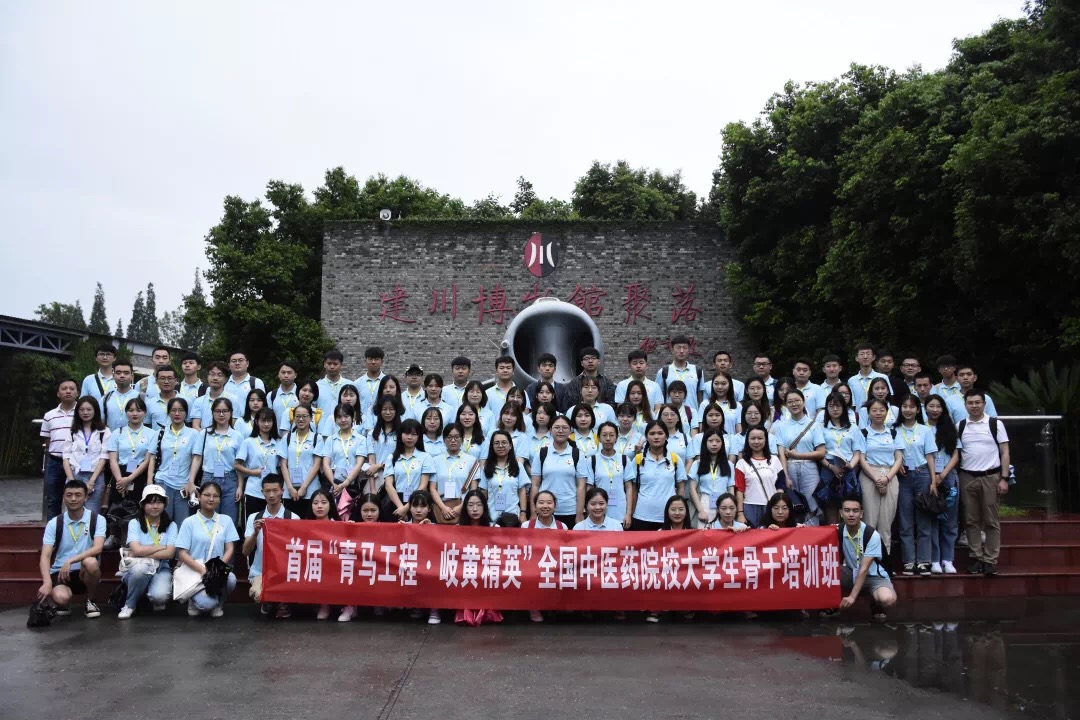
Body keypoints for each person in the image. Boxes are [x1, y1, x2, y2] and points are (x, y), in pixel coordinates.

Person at [956, 390, 1010, 576]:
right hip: (967, 477)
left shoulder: (995, 424)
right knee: (971, 520)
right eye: (970, 403)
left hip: (991, 477)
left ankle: (990, 560)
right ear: (965, 405)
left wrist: (1004, 478)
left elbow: (1005, 452)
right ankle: (976, 557)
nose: (974, 406)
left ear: (984, 404)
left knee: (991, 521)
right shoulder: (960, 426)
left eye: (977, 402)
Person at [37, 479, 106, 619]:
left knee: (91, 562)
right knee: (61, 598)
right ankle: (65, 602)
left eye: (78, 495)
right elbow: (45, 555)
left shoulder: (97, 519)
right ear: (63, 497)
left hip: (83, 571)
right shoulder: (54, 523)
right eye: (69, 495)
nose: (73, 499)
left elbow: (98, 548)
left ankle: (90, 601)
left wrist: (70, 561)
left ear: (86, 497)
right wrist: (47, 582)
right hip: (60, 572)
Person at [176, 481, 239, 617]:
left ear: (220, 499)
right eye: (207, 495)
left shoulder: (226, 520)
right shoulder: (189, 522)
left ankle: (219, 602)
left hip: (217, 568)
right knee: (205, 605)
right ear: (199, 496)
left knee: (231, 579)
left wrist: (219, 567)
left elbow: (230, 548)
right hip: (195, 569)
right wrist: (202, 570)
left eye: (215, 496)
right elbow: (182, 552)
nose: (211, 499)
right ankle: (194, 599)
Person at [894, 395, 937, 576]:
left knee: (923, 520)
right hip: (903, 477)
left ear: (918, 410)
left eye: (912, 407)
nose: (908, 410)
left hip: (922, 474)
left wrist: (933, 481)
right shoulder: (894, 430)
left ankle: (924, 561)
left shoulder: (925, 430)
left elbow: (930, 456)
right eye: (904, 406)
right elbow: (892, 453)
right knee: (905, 521)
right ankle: (909, 561)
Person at [119, 484, 177, 619]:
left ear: (164, 504)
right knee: (140, 569)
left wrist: (140, 551)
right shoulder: (135, 523)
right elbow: (136, 549)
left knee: (160, 597)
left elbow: (170, 554)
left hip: (161, 567)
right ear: (143, 504)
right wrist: (161, 547)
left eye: (159, 502)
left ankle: (152, 596)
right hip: (138, 566)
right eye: (150, 502)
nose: (155, 506)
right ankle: (129, 605)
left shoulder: (171, 525)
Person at [836, 496, 897, 621]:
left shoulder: (871, 535)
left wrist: (852, 597)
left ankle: (876, 603)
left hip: (873, 577)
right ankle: (830, 605)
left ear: (861, 514)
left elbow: (864, 568)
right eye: (847, 510)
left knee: (888, 599)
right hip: (851, 573)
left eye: (855, 510)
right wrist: (801, 528)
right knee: (826, 571)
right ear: (841, 513)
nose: (851, 514)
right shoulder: (839, 529)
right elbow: (819, 533)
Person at [774, 389, 827, 525]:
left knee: (812, 505)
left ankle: (812, 534)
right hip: (790, 467)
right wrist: (785, 476)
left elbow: (821, 452)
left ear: (804, 402)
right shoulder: (781, 427)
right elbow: (781, 454)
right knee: (794, 505)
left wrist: (798, 455)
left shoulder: (814, 425)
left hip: (809, 468)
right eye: (790, 402)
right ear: (785, 405)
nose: (794, 404)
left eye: (797, 400)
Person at [858, 398, 903, 555]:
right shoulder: (863, 433)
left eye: (881, 410)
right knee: (869, 520)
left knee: (886, 522)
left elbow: (899, 458)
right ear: (868, 413)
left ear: (887, 412)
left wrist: (887, 478)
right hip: (869, 475)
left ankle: (885, 560)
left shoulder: (893, 433)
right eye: (874, 410)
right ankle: (867, 560)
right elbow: (861, 459)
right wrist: (876, 478)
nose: (878, 413)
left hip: (890, 475)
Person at [147, 397, 202, 523]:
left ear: (186, 413)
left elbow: (196, 458)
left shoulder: (193, 434)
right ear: (168, 413)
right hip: (162, 482)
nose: (177, 414)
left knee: (182, 523)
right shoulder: (160, 433)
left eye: (181, 410)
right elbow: (152, 458)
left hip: (183, 485)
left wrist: (191, 481)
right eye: (173, 410)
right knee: (162, 522)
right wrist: (150, 482)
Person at [452, 489, 501, 627]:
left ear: (485, 507)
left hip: (487, 568)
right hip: (465, 568)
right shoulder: (457, 529)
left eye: (479, 505)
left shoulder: (494, 527)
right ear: (465, 507)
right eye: (470, 505)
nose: (475, 509)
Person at [194, 397, 245, 525]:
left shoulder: (237, 436)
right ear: (212, 413)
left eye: (225, 411)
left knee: (229, 520)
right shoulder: (204, 433)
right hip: (209, 478)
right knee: (208, 517)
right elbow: (197, 458)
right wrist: (191, 481)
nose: (221, 414)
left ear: (231, 413)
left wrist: (240, 486)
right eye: (217, 411)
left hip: (230, 479)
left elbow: (239, 464)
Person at [530, 415, 587, 528]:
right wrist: (533, 512)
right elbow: (535, 485)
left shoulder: (577, 454)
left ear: (570, 430)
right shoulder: (542, 453)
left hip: (570, 510)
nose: (560, 431)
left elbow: (581, 486)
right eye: (556, 427)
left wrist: (580, 513)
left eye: (564, 428)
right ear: (550, 430)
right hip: (545, 510)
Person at [926, 394, 961, 574]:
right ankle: (934, 560)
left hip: (948, 476)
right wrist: (934, 477)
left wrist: (943, 473)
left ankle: (948, 559)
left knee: (950, 520)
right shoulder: (921, 428)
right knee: (931, 519)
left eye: (938, 406)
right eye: (931, 406)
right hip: (928, 476)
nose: (935, 410)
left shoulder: (949, 427)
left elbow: (956, 454)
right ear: (925, 408)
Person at [629, 421, 686, 531]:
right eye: (652, 433)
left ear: (666, 436)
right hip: (642, 515)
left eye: (660, 433)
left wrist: (679, 510)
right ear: (646, 437)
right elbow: (633, 489)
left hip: (669, 517)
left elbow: (681, 487)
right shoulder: (638, 460)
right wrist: (631, 512)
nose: (656, 437)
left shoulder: (675, 459)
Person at [818, 391, 864, 525]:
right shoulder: (821, 428)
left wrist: (851, 465)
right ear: (826, 408)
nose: (835, 409)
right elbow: (819, 453)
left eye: (838, 405)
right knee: (830, 508)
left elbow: (857, 452)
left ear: (844, 407)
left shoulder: (853, 428)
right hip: (828, 468)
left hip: (848, 468)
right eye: (831, 406)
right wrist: (831, 467)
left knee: (850, 508)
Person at [646, 495, 693, 622]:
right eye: (673, 509)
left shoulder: (694, 533)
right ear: (667, 512)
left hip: (686, 570)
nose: (677, 513)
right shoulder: (660, 533)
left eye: (681, 509)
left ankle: (686, 607)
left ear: (686, 512)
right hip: (665, 570)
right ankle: (656, 609)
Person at [522, 489, 566, 623]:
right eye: (541, 503)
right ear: (535, 506)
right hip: (533, 566)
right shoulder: (526, 526)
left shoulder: (562, 527)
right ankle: (534, 607)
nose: (545, 506)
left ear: (555, 506)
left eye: (549, 503)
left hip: (555, 566)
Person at [106, 398, 153, 519]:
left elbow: (147, 460)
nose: (135, 414)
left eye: (139, 410)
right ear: (126, 412)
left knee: (138, 513)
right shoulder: (117, 433)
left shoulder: (152, 434)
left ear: (145, 413)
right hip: (119, 475)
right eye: (131, 410)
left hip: (140, 475)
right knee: (116, 513)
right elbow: (113, 460)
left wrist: (129, 479)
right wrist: (120, 481)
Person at [317, 402, 367, 518]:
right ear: (335, 420)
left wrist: (345, 483)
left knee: (351, 516)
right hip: (333, 484)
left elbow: (359, 464)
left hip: (353, 483)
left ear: (352, 418)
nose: (343, 420)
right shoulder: (330, 440)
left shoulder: (360, 439)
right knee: (334, 516)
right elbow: (326, 464)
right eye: (339, 417)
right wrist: (334, 484)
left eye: (346, 416)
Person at [62, 396, 111, 513]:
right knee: (71, 511)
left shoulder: (104, 431)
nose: (85, 413)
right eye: (82, 410)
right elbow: (66, 456)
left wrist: (92, 481)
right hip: (75, 474)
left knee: (91, 512)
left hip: (95, 476)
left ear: (95, 411)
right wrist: (71, 481)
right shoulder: (72, 431)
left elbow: (104, 457)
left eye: (89, 409)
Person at [338, 492, 382, 621]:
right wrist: (348, 530)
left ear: (379, 510)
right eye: (365, 510)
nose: (369, 514)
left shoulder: (389, 527)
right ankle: (350, 606)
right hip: (358, 566)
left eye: (373, 510)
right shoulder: (353, 525)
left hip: (379, 566)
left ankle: (380, 603)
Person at [383, 419, 436, 521]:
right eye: (406, 433)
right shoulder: (391, 457)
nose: (409, 437)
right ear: (400, 435)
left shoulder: (425, 457)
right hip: (396, 501)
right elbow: (388, 485)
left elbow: (423, 486)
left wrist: (407, 507)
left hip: (418, 503)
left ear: (419, 436)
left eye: (414, 434)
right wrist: (400, 508)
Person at [40, 377, 78, 516]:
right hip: (55, 462)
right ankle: (53, 528)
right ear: (58, 393)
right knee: (53, 499)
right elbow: (48, 440)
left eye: (72, 389)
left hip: (76, 462)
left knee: (77, 499)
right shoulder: (49, 415)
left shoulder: (82, 413)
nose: (68, 391)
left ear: (77, 393)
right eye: (64, 389)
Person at [235, 406, 281, 519]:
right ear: (256, 422)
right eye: (263, 421)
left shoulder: (279, 442)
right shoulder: (249, 442)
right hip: (254, 489)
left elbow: (282, 466)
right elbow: (237, 465)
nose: (266, 424)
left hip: (273, 491)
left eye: (269, 421)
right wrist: (252, 472)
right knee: (252, 522)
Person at [733, 427, 784, 528]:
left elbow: (781, 484)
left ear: (766, 440)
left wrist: (778, 505)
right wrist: (740, 513)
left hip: (771, 506)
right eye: (753, 438)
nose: (756, 441)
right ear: (747, 440)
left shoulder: (774, 460)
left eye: (760, 438)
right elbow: (739, 490)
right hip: (749, 506)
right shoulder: (741, 463)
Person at [585, 422, 633, 528]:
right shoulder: (592, 460)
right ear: (599, 438)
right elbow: (589, 488)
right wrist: (589, 512)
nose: (608, 438)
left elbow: (629, 488)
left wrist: (628, 514)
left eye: (611, 435)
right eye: (604, 435)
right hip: (598, 511)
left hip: (620, 513)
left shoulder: (624, 459)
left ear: (616, 438)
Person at [279, 404, 323, 514]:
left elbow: (316, 465)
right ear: (294, 418)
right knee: (290, 521)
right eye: (298, 416)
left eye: (304, 416)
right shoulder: (287, 438)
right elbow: (283, 465)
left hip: (310, 489)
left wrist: (304, 487)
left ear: (311, 418)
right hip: (289, 491)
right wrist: (290, 488)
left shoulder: (317, 438)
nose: (301, 419)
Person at [475, 430, 529, 522]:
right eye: (496, 443)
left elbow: (522, 491)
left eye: (504, 442)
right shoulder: (486, 467)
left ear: (510, 445)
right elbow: (484, 493)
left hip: (513, 517)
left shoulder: (518, 466)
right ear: (492, 446)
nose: (500, 446)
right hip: (492, 517)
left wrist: (523, 513)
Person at [430, 423, 477, 524]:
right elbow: (432, 488)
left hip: (464, 508)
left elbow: (473, 490)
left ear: (462, 439)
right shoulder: (435, 461)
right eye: (449, 437)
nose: (453, 440)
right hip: (440, 508)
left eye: (456, 437)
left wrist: (461, 507)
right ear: (444, 440)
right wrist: (443, 508)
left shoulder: (472, 461)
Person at [307, 489, 341, 620]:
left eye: (324, 502)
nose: (319, 506)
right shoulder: (304, 526)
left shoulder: (339, 525)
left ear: (330, 505)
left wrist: (351, 528)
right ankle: (322, 604)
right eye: (315, 503)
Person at [688, 429, 732, 527]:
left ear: (722, 443)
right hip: (704, 502)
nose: (714, 444)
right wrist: (700, 510)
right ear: (705, 443)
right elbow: (692, 489)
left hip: (724, 503)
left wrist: (730, 508)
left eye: (718, 441)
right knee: (704, 533)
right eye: (711, 441)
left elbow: (731, 489)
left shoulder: (729, 465)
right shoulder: (697, 464)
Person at [656, 336, 704, 411]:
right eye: (678, 348)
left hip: (691, 415)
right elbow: (658, 397)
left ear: (689, 350)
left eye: (685, 348)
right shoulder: (663, 371)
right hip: (670, 415)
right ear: (672, 350)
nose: (681, 351)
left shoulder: (697, 371)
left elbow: (700, 397)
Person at [365, 395, 401, 493]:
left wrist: (380, 465)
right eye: (384, 409)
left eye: (391, 409)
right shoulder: (372, 434)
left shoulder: (401, 433)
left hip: (397, 477)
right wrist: (372, 488)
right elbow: (371, 463)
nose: (388, 412)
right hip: (378, 478)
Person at [564, 346, 617, 411]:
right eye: (586, 359)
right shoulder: (574, 382)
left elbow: (611, 404)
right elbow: (570, 405)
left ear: (598, 361)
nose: (590, 361)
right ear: (581, 363)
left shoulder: (607, 382)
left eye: (593, 358)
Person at [190, 361, 238, 431]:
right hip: (203, 436)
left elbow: (233, 425)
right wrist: (207, 436)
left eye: (219, 375)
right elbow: (195, 426)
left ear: (226, 379)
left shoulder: (233, 400)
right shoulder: (199, 401)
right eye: (212, 374)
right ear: (207, 376)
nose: (215, 378)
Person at [101, 359, 142, 431]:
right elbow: (101, 422)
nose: (122, 376)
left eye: (126, 373)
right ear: (113, 375)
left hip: (134, 437)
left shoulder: (141, 398)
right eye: (118, 373)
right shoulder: (106, 398)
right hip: (110, 437)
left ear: (132, 376)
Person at [848, 343, 889, 412]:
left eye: (868, 354)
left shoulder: (883, 377)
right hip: (859, 416)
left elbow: (889, 398)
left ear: (873, 357)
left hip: (880, 415)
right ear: (856, 358)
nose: (865, 357)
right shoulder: (851, 380)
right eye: (862, 354)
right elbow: (851, 404)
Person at [269, 360, 299, 436]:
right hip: (276, 439)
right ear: (278, 374)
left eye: (289, 373)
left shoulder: (301, 394)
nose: (286, 375)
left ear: (295, 375)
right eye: (283, 372)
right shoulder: (272, 395)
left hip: (297, 439)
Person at [316, 349, 349, 419]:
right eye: (329, 363)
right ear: (324, 364)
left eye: (335, 364)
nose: (332, 367)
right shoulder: (317, 386)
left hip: (344, 423)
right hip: (322, 424)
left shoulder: (349, 385)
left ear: (341, 365)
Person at [144, 366, 180, 430]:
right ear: (156, 381)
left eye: (170, 378)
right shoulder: (149, 403)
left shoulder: (185, 401)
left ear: (176, 381)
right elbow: (146, 426)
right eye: (162, 378)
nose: (166, 381)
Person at [355, 346, 387, 415]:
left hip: (381, 420)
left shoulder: (387, 382)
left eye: (376, 359)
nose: (373, 362)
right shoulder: (357, 383)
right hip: (362, 420)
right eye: (370, 359)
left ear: (382, 362)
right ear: (365, 361)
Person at [486, 356, 519, 420]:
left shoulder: (521, 393)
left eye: (508, 368)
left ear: (513, 371)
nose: (505, 370)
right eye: (501, 368)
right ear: (496, 371)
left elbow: (525, 414)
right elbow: (485, 416)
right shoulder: (488, 393)